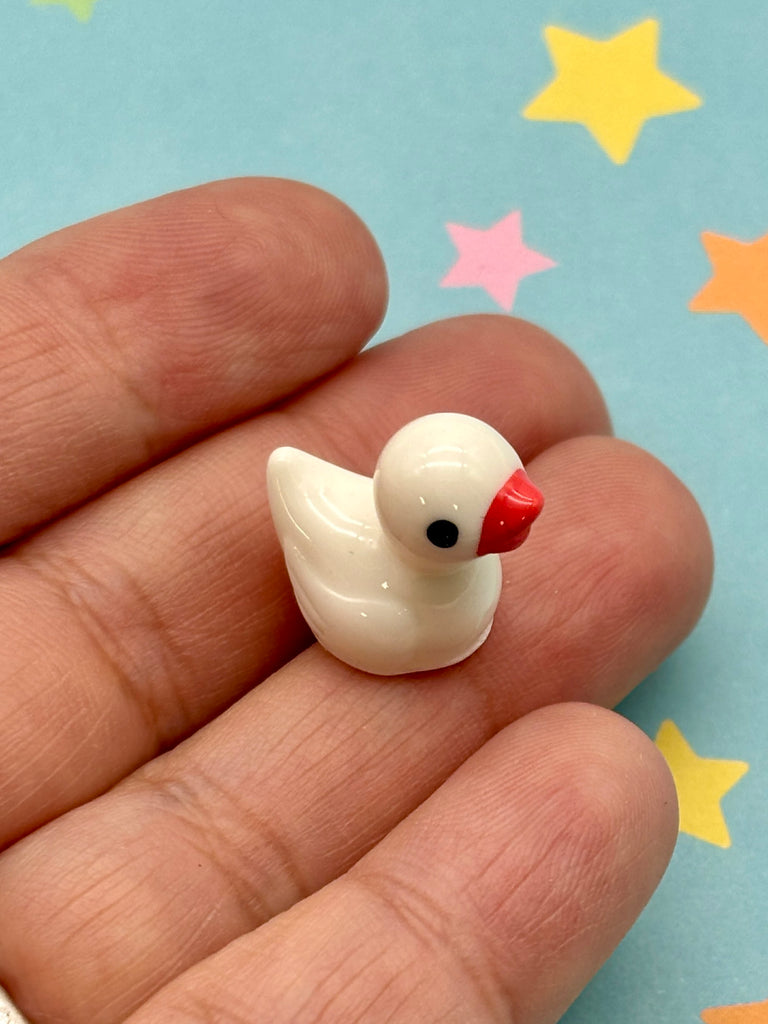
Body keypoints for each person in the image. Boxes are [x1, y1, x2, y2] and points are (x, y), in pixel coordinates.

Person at [0, 178, 712, 1024]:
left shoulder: (457, 590)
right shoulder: (379, 614)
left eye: (505, 494)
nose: (512, 528)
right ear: (425, 535)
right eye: (470, 525)